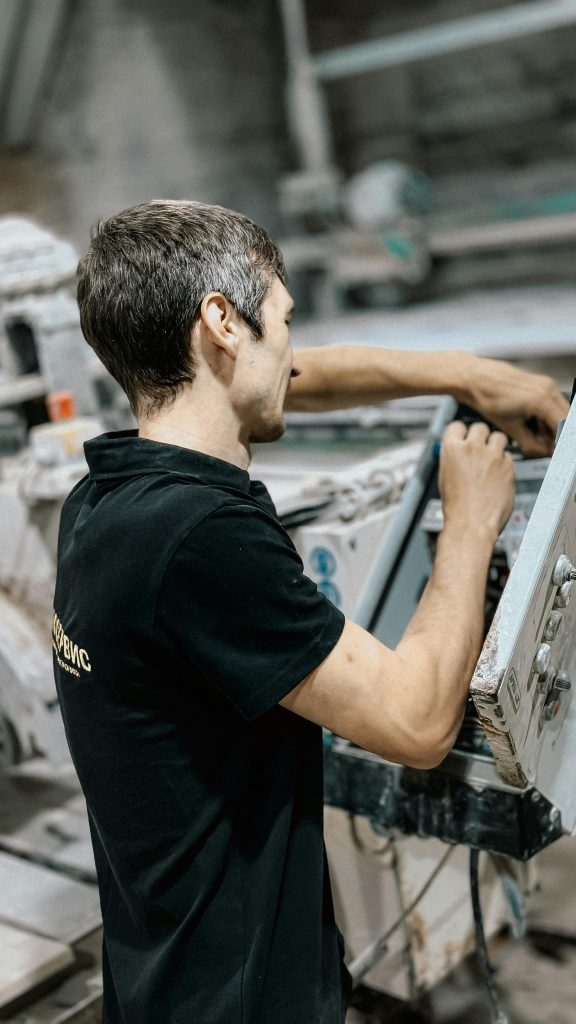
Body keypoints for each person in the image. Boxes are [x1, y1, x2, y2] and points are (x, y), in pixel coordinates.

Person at [52, 200, 569, 1024]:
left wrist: (468, 376)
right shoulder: (201, 536)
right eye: (284, 318)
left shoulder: (105, 501)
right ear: (221, 322)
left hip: (162, 980)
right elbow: (416, 720)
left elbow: (295, 377)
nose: (293, 348)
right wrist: (470, 522)